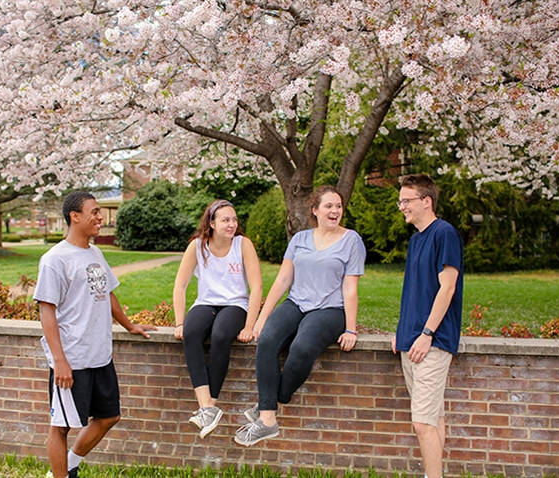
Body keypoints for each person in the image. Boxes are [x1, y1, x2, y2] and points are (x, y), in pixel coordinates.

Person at [34, 191, 157, 478]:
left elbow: (108, 294)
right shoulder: (55, 260)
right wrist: (59, 360)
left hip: (99, 356)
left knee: (109, 416)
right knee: (61, 426)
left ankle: (71, 464)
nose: (100, 217)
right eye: (95, 212)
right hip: (72, 360)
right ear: (75, 217)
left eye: (101, 212)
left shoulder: (95, 252)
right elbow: (46, 312)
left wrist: (129, 325)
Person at [235, 186, 366, 446]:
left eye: (338, 206)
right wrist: (262, 317)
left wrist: (350, 328)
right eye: (329, 206)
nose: (335, 211)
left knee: (303, 347)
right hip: (296, 302)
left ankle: (267, 406)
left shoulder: (352, 241)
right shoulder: (300, 239)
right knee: (268, 340)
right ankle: (269, 420)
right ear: (315, 210)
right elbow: (283, 279)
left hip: (330, 309)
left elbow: (350, 288)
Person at [391, 174, 464, 478]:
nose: (401, 207)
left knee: (422, 422)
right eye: (401, 201)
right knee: (433, 418)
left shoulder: (443, 233)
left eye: (406, 201)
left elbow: (447, 288)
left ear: (426, 201)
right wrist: (402, 332)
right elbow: (415, 290)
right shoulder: (417, 238)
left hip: (432, 342)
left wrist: (426, 334)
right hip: (412, 341)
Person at [173, 199, 263, 438]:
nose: (232, 224)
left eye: (234, 219)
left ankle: (210, 406)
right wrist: (180, 322)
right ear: (212, 223)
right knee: (191, 333)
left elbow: (256, 287)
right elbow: (180, 285)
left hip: (236, 304)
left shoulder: (243, 245)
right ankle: (206, 408)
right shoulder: (197, 246)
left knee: (221, 333)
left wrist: (249, 325)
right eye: (225, 220)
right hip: (206, 302)